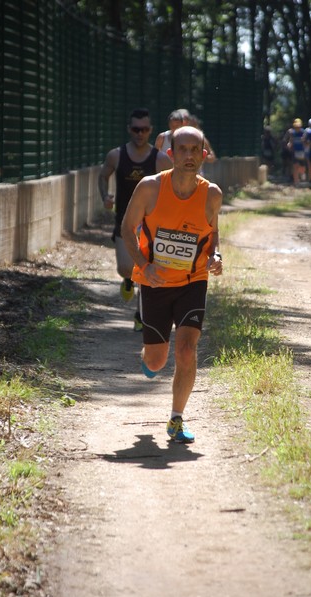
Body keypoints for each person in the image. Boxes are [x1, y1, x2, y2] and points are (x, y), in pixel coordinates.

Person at [121, 126, 223, 443]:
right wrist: (143, 265)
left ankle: (176, 419)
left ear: (204, 155)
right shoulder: (150, 188)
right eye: (183, 149)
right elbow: (127, 228)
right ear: (171, 153)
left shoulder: (212, 194)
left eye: (196, 149)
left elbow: (213, 232)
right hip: (155, 281)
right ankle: (148, 357)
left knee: (187, 349)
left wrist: (216, 255)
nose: (190, 155)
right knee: (157, 360)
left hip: (193, 280)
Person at [98, 107, 172, 331]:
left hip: (151, 223)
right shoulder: (116, 155)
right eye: (136, 129)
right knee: (125, 268)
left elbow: (172, 186)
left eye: (145, 129)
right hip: (124, 219)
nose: (140, 133)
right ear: (129, 129)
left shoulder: (159, 160)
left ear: (150, 131)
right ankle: (128, 279)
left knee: (147, 267)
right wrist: (105, 197)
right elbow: (103, 176)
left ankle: (141, 315)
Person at [284, 118, 306, 185]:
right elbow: (291, 140)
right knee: (295, 166)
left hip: (302, 152)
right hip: (295, 151)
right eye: (296, 127)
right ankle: (296, 181)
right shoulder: (292, 133)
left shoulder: (303, 132)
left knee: (302, 166)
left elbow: (306, 141)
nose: (297, 128)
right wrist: (289, 144)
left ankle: (302, 176)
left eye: (298, 127)